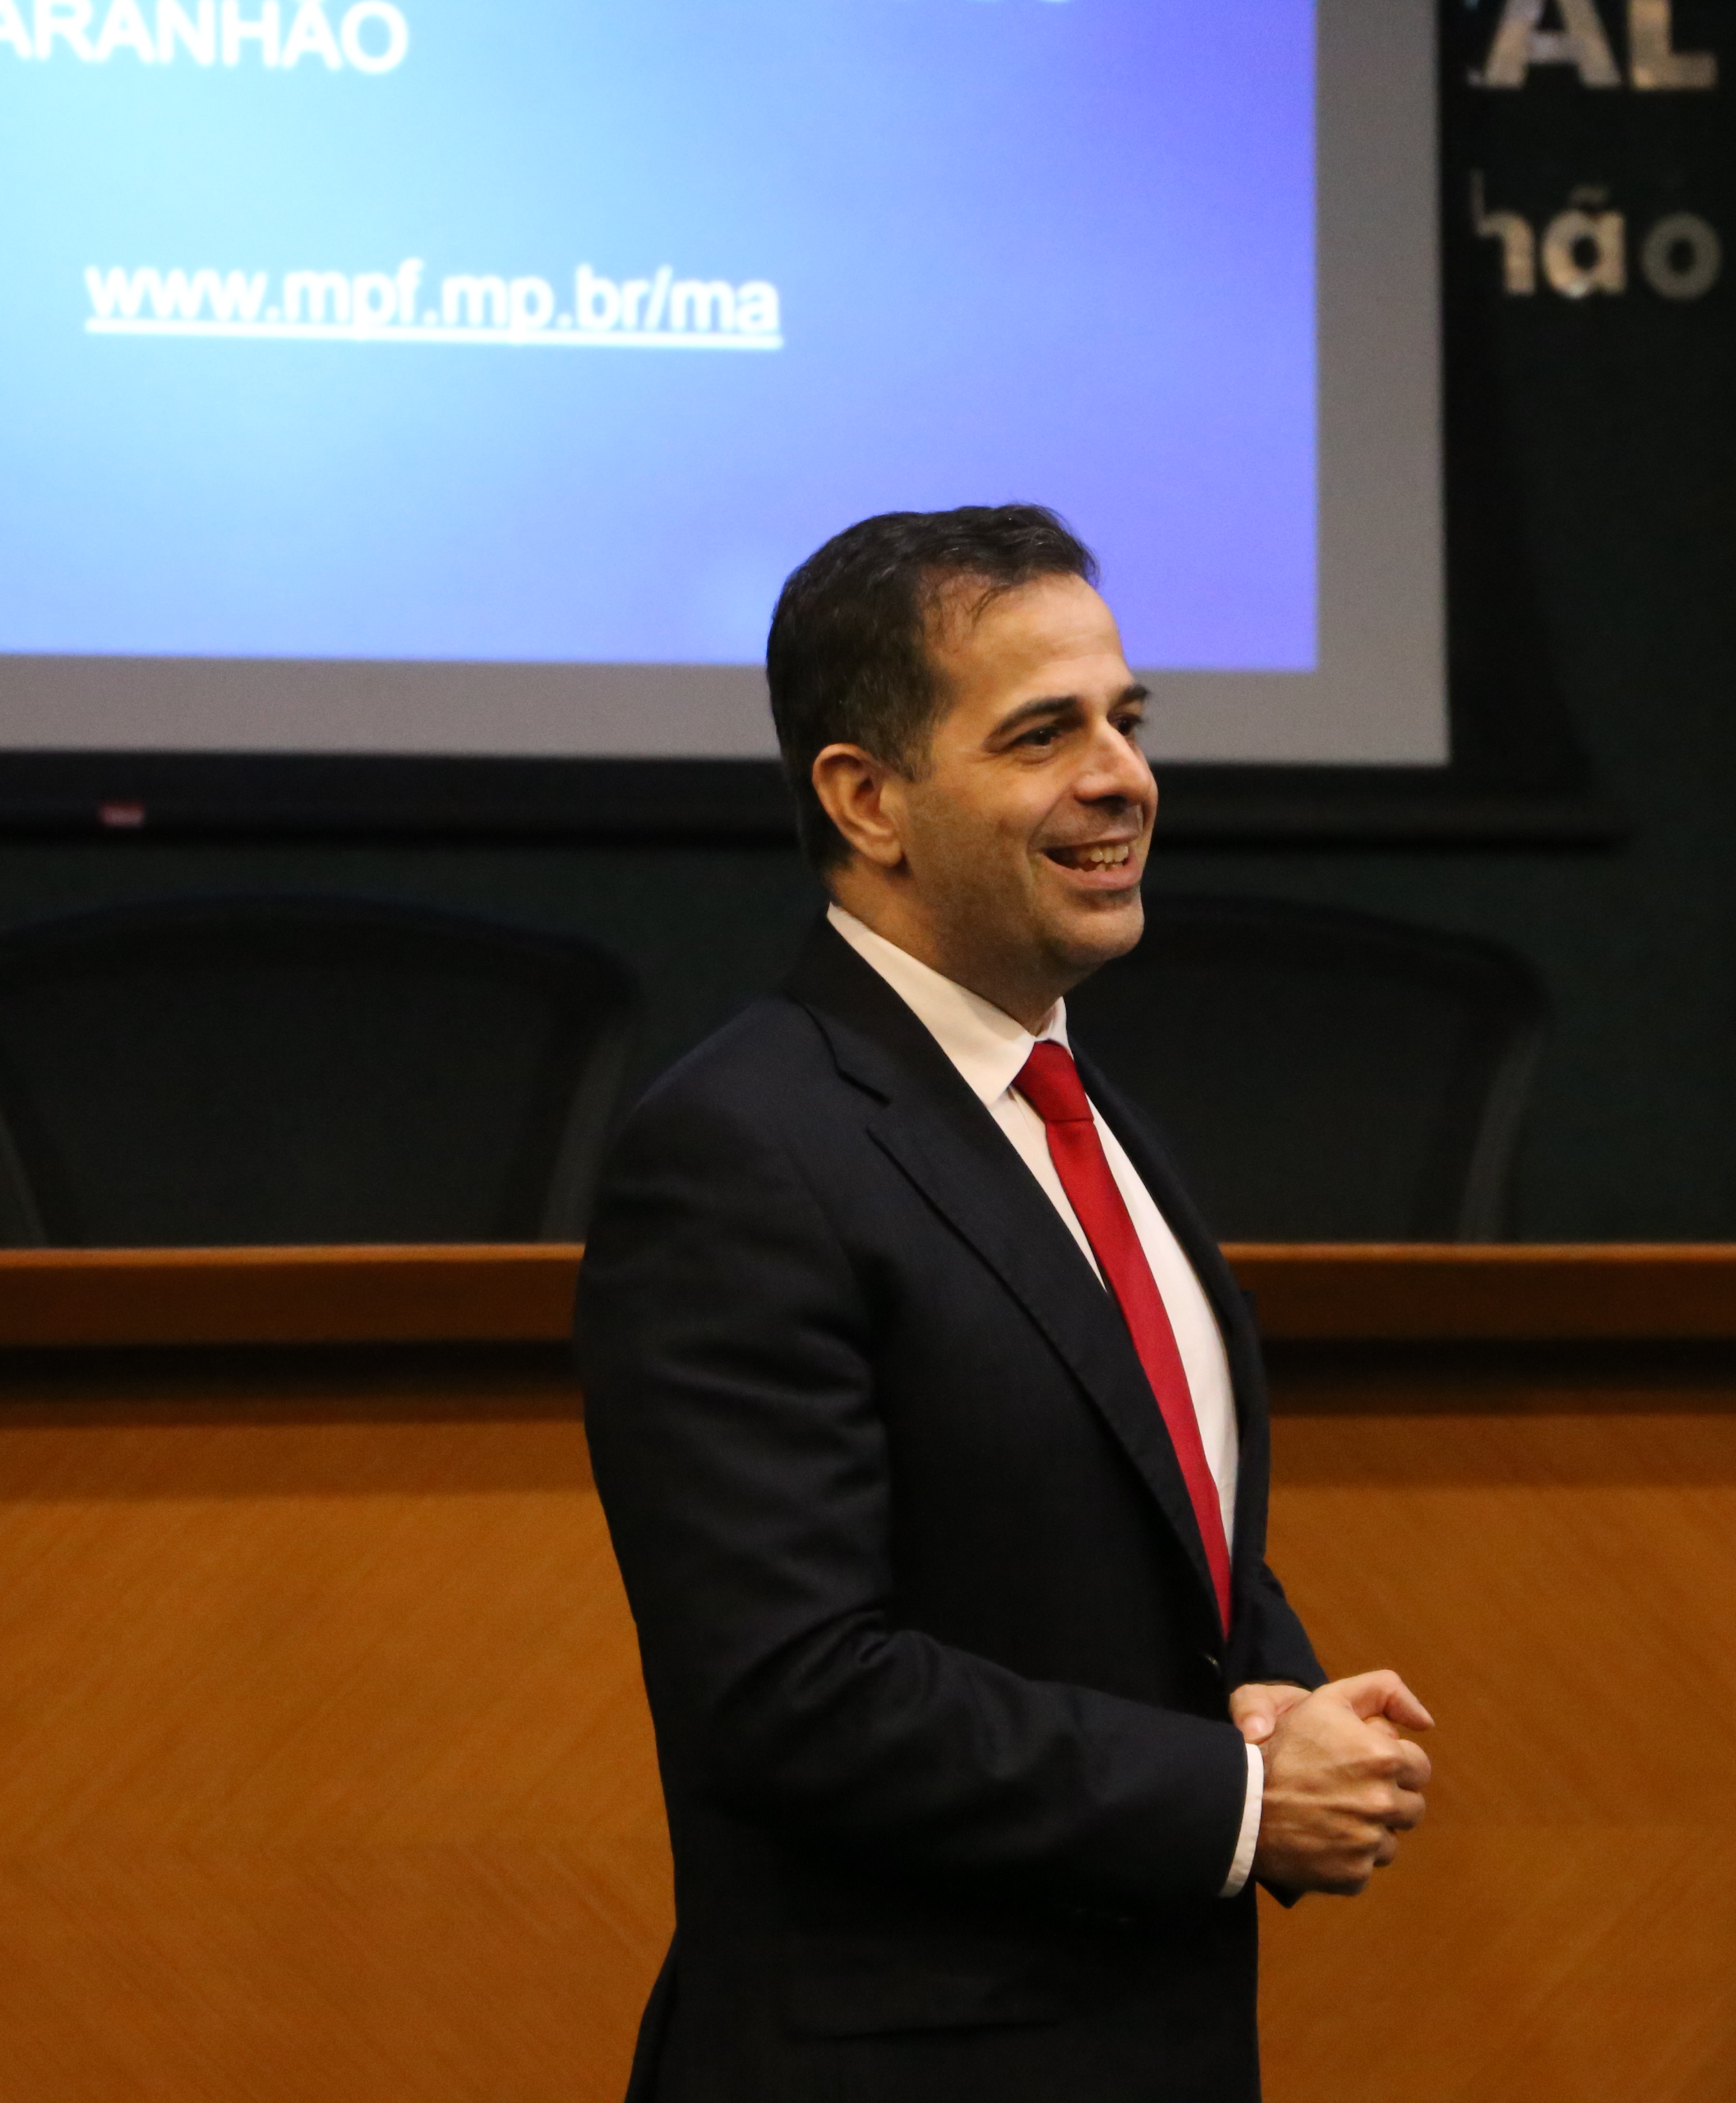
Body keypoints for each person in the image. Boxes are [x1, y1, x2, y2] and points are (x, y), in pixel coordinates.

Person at [577, 505, 1435, 2102]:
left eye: (1128, 720)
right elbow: (792, 1688)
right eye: (1045, 733)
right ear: (867, 799)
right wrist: (1240, 1800)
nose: (1121, 776)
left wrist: (1288, 1693)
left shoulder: (1081, 1107)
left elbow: (1134, 1530)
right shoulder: (743, 1149)